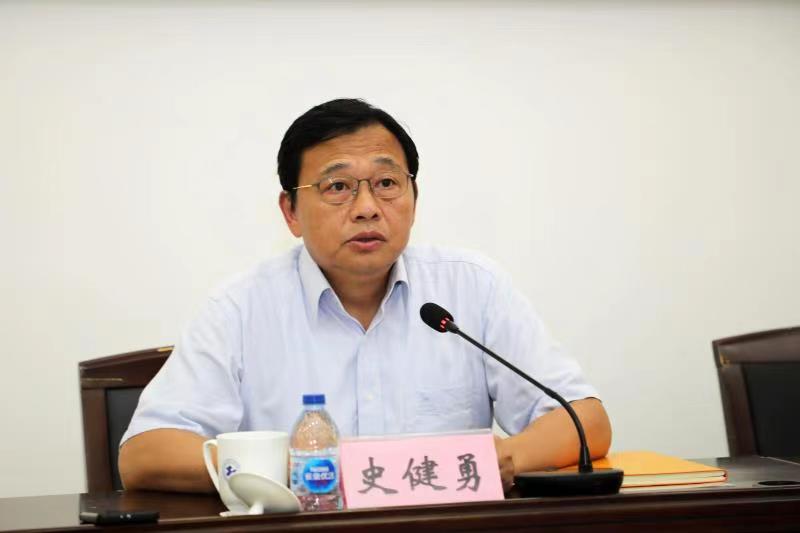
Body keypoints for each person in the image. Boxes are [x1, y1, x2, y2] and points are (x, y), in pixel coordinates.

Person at [119, 98, 611, 493]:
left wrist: (502, 459)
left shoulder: (471, 288)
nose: (367, 208)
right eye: (338, 186)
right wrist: (302, 469)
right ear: (290, 211)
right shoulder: (240, 309)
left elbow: (584, 420)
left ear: (414, 198)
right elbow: (145, 454)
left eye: (387, 183)